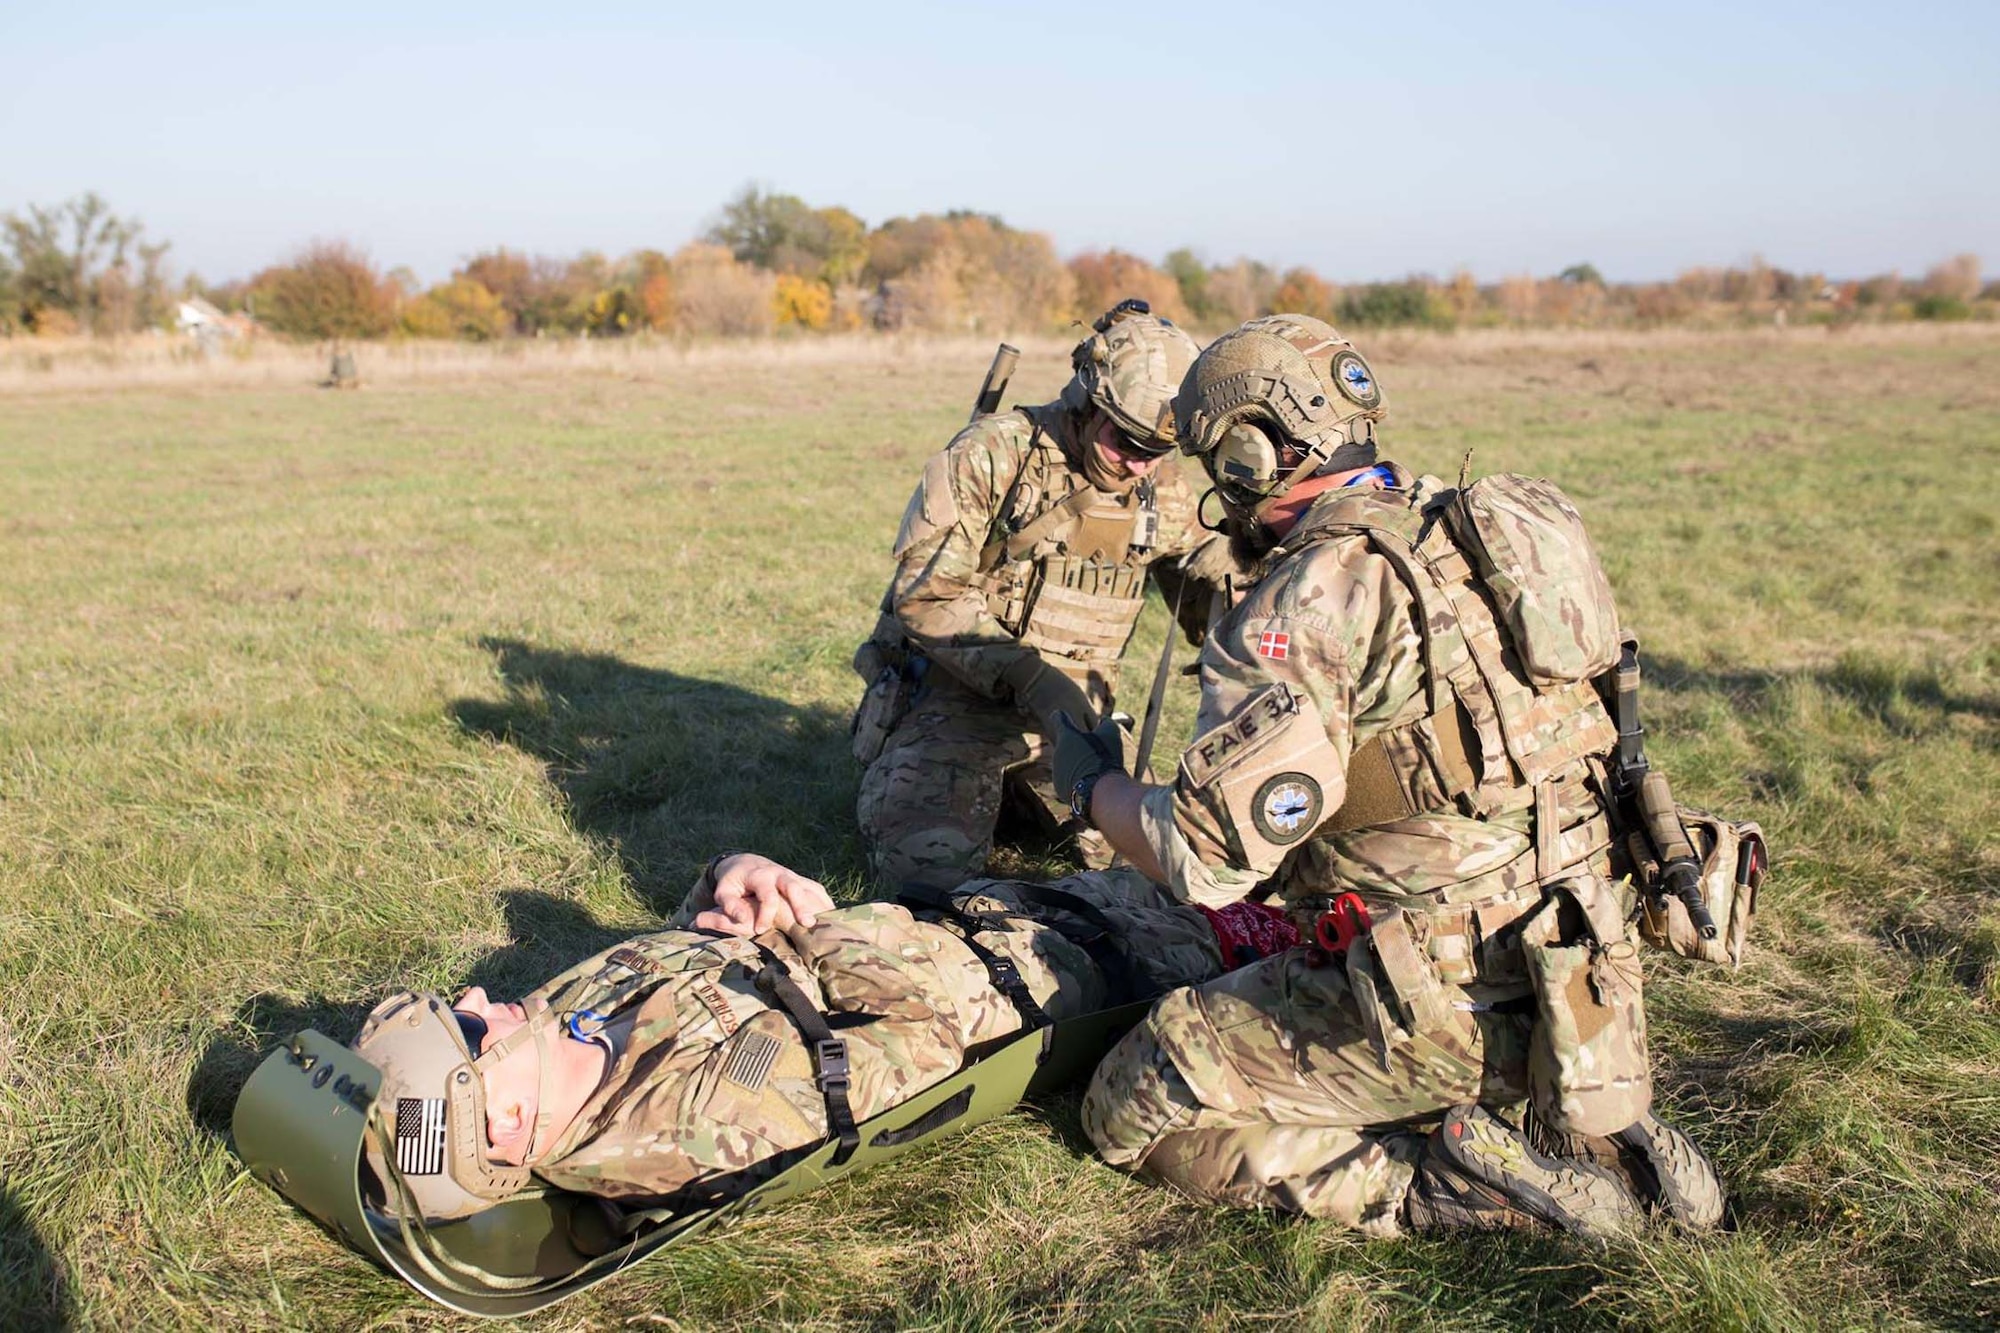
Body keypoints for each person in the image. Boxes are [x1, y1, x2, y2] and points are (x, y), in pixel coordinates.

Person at [1052, 314, 1728, 1237]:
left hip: (1430, 995)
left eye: (1222, 469)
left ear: (1249, 456)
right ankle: (1598, 1128)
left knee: (1134, 1098)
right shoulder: (1511, 523)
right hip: (1587, 962)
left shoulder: (1309, 598)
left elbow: (1204, 859)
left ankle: (1435, 1184)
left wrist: (1094, 783)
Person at [350, 852, 1299, 1220]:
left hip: (983, 914)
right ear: (507, 1123)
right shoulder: (697, 1123)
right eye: (469, 1026)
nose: (477, 991)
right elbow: (920, 1052)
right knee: (1289, 920)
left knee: (1192, 852)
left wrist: (732, 878)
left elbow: (688, 945)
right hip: (1060, 967)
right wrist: (809, 919)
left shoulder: (558, 1023)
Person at [852, 300, 1221, 890]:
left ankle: (1021, 804)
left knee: (1164, 872)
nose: (1135, 466)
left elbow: (1205, 600)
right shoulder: (995, 455)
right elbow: (926, 596)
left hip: (1079, 728)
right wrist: (1031, 678)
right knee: (925, 874)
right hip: (961, 708)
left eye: (1154, 452)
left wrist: (1236, 577)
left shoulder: (1161, 491)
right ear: (1087, 399)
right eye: (1123, 441)